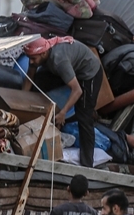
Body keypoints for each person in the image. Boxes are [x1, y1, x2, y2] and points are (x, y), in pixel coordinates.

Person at [22, 37, 103, 168]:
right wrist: (21, 100)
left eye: (33, 59)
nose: (31, 61)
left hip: (89, 74)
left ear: (43, 53)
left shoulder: (59, 61)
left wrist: (63, 113)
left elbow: (77, 90)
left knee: (84, 116)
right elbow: (29, 78)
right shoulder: (38, 55)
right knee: (38, 83)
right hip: (70, 69)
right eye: (29, 58)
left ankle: (87, 164)